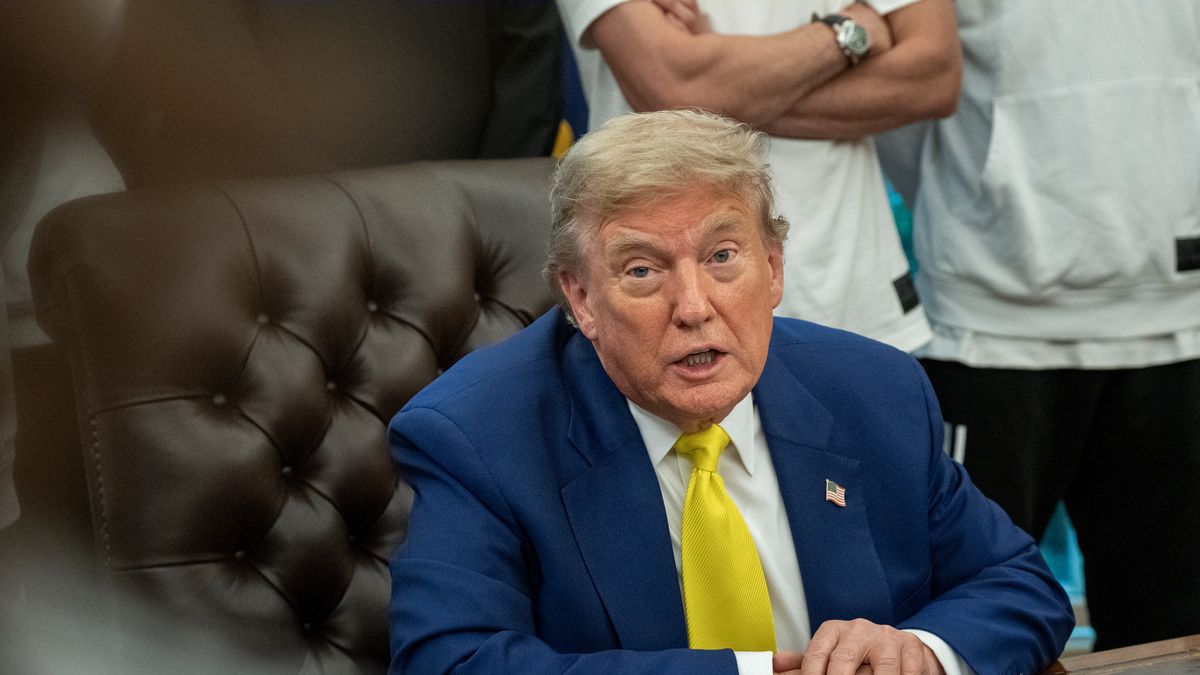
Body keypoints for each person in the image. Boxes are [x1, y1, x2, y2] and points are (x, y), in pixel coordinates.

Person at [387, 110, 1073, 675]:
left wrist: (920, 649)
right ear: (580, 296)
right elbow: (450, 661)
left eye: (722, 257)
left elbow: (1018, 585)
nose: (694, 306)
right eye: (642, 269)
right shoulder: (478, 435)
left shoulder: (875, 390)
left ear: (773, 269)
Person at [878, 0, 1200, 652]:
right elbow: (905, 100)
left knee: (1173, 628)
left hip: (1178, 320)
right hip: (989, 327)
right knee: (962, 624)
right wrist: (978, 217)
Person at [553, 0, 961, 352]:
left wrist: (724, 90)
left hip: (854, 294)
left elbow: (933, 76)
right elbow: (675, 84)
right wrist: (849, 32)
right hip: (672, 307)